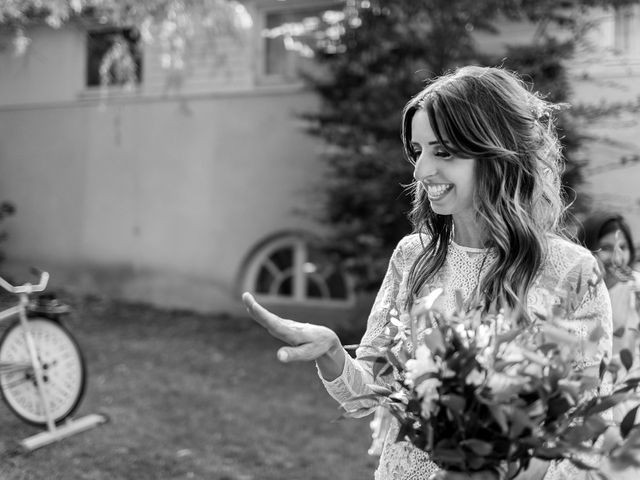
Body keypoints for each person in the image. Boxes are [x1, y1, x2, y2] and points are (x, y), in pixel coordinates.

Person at [242, 65, 612, 480]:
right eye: (417, 151)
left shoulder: (572, 272)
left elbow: (583, 424)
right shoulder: (412, 257)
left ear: (499, 153)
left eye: (444, 152)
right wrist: (332, 353)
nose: (420, 171)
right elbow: (374, 392)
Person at [578, 212, 640, 422]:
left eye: (623, 247)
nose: (617, 257)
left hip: (629, 385)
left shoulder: (635, 288)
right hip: (587, 386)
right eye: (605, 248)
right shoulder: (578, 291)